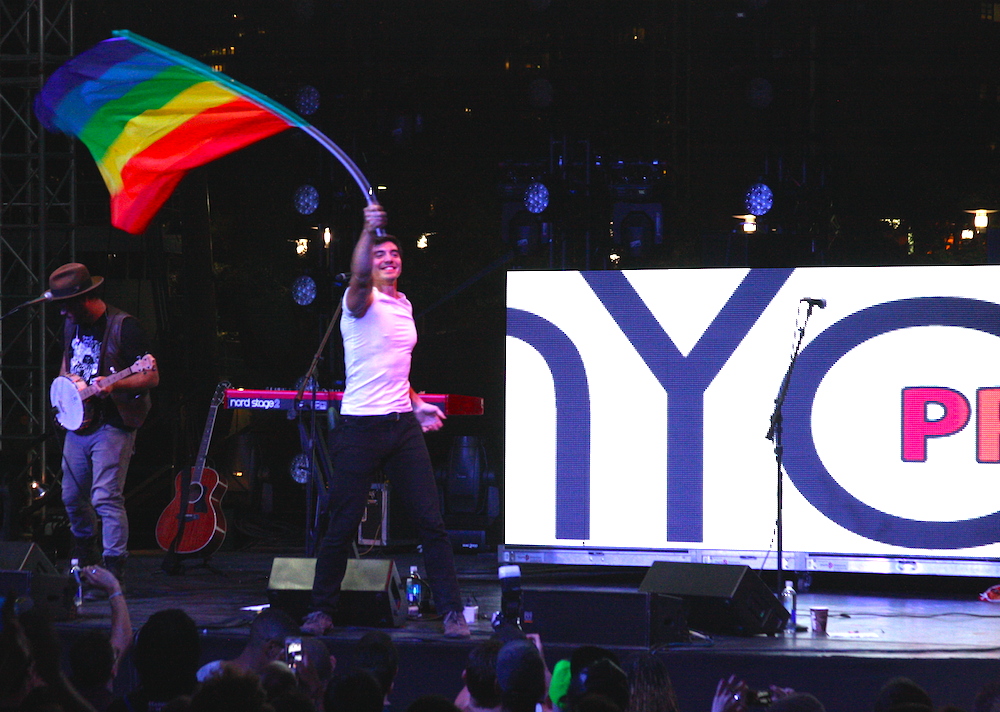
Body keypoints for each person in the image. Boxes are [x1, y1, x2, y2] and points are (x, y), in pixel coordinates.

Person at [302, 203, 469, 638]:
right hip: (360, 428)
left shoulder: (404, 304)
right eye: (380, 255)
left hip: (400, 426)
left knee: (431, 522)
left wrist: (416, 402)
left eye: (393, 254)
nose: (388, 259)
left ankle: (452, 611)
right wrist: (366, 229)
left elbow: (396, 366)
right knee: (342, 522)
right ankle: (321, 609)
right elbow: (357, 275)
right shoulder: (360, 300)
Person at [50, 262, 159, 584]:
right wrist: (64, 392)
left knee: (105, 496)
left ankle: (114, 569)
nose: (62, 314)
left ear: (83, 300)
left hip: (114, 422)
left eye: (65, 307)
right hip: (80, 424)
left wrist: (115, 384)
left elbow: (151, 374)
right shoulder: (73, 325)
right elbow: (67, 361)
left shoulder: (125, 326)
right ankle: (87, 558)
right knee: (71, 496)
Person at [196, 608, 301, 682]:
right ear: (271, 649)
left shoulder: (208, 671)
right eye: (291, 653)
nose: (294, 661)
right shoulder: (211, 676)